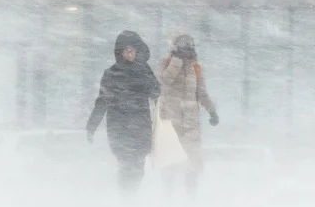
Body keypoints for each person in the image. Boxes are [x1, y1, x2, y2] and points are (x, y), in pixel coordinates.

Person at [86, 31, 161, 192]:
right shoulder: (112, 74)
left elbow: (155, 92)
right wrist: (91, 125)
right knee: (126, 167)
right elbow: (102, 102)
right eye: (127, 50)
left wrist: (144, 73)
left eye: (133, 50)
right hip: (120, 128)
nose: (130, 53)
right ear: (120, 52)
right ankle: (126, 200)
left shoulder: (143, 70)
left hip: (140, 127)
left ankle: (131, 200)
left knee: (139, 168)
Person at [157, 32, 219, 196]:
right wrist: (176, 61)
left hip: (191, 123)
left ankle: (191, 196)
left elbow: (201, 92)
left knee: (193, 161)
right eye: (183, 49)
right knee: (170, 160)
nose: (186, 53)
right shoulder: (166, 63)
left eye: (188, 48)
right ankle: (167, 195)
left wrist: (211, 110)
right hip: (171, 120)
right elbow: (165, 80)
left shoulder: (195, 67)